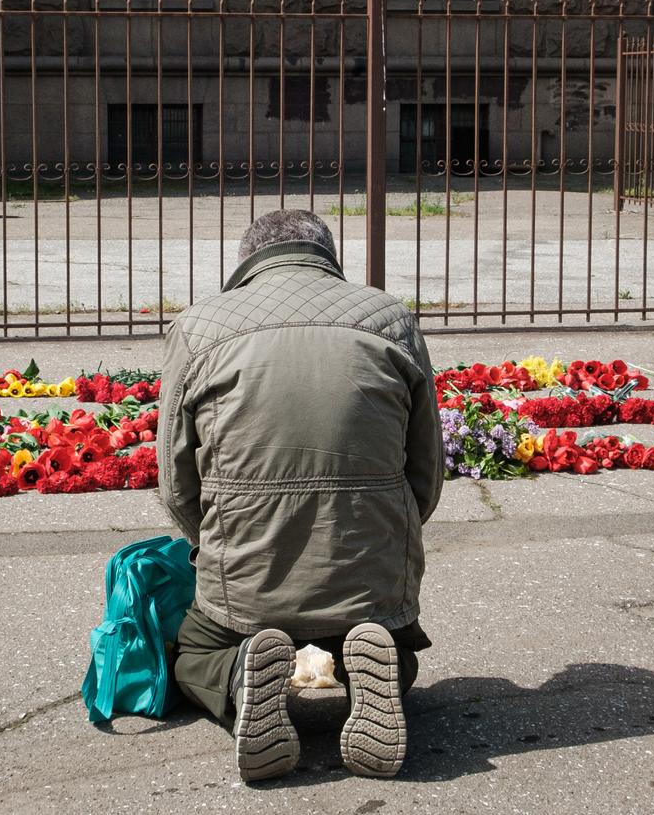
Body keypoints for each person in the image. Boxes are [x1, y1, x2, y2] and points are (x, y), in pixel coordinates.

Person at [157, 208, 443, 782]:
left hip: (247, 576)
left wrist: (212, 542)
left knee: (191, 654)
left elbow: (176, 482)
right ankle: (363, 665)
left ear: (245, 263)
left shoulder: (199, 325)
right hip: (368, 566)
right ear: (327, 256)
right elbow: (426, 472)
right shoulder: (389, 317)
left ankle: (242, 673)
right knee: (396, 653)